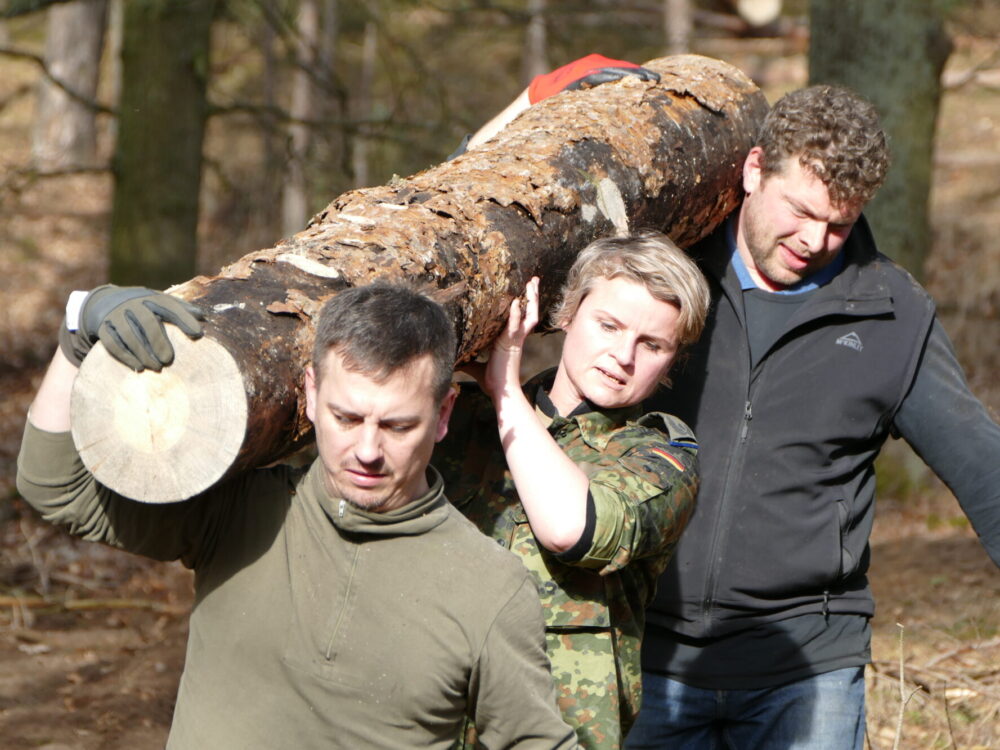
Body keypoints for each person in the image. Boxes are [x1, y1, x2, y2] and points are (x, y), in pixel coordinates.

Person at [462, 59, 1000, 749]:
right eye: (801, 212)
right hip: (641, 648)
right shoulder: (666, 279)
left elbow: (981, 462)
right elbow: (494, 222)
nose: (815, 241)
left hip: (805, 665)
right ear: (752, 171)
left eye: (839, 224)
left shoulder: (890, 314)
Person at [16, 282, 579, 750]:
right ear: (311, 396)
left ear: (443, 414)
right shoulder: (241, 511)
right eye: (346, 416)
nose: (366, 450)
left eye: (397, 426)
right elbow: (53, 484)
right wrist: (79, 329)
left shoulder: (487, 587)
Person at [435, 231, 710, 749]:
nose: (623, 355)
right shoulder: (460, 420)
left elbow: (571, 528)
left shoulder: (660, 457)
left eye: (652, 345)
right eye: (608, 325)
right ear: (566, 314)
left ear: (670, 361)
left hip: (558, 734)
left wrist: (506, 392)